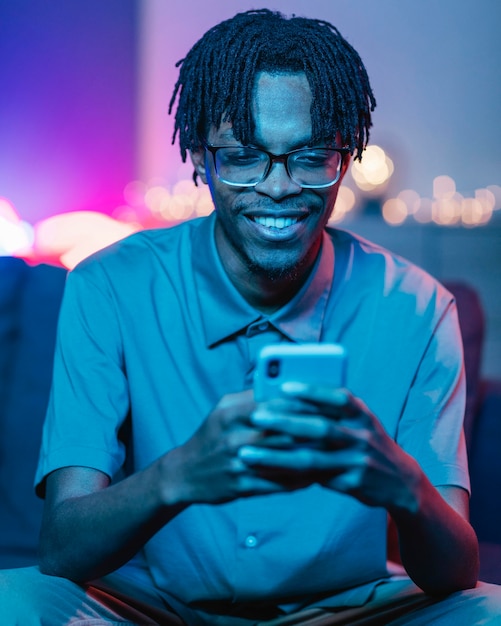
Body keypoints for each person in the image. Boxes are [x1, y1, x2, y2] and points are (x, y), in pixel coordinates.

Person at [1, 8, 501, 625]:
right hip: (153, 607)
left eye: (311, 156)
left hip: (350, 611)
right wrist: (178, 475)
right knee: (13, 604)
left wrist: (402, 483)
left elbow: (456, 572)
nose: (278, 187)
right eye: (242, 156)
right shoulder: (108, 286)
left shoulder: (419, 309)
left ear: (343, 161)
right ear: (200, 157)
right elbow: (62, 545)